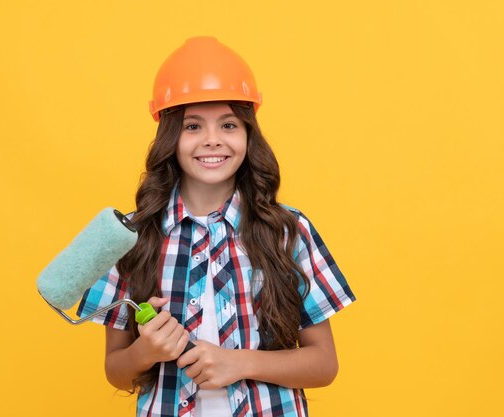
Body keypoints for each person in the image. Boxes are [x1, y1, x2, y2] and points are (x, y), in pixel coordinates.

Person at [77, 36, 356, 417]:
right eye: (193, 126)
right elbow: (116, 371)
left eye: (228, 124)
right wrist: (147, 351)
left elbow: (324, 364)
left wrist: (239, 362)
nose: (212, 141)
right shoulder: (131, 237)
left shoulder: (288, 231)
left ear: (247, 135)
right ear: (170, 138)